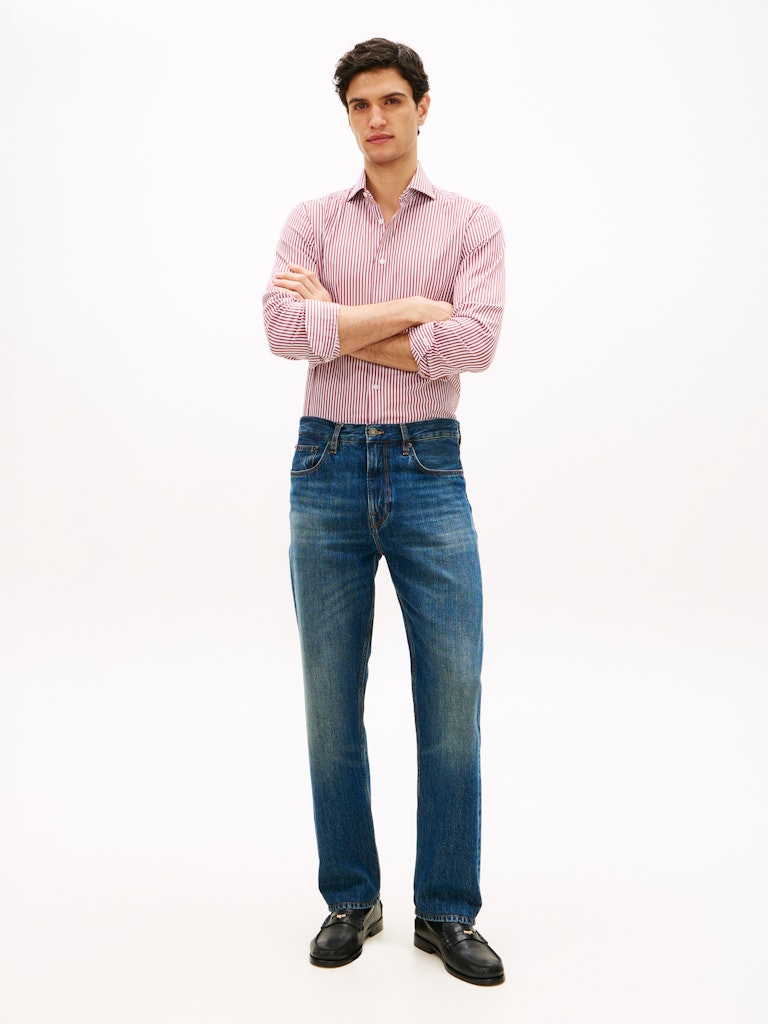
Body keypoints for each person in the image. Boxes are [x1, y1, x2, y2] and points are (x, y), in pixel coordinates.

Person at [263, 37, 506, 987]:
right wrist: (411, 315)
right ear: (348, 115)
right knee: (333, 701)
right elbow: (283, 330)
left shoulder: (474, 224)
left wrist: (349, 316)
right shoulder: (311, 220)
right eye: (360, 104)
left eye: (392, 101)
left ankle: (446, 911)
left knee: (451, 697)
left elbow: (475, 345)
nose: (377, 118)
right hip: (324, 464)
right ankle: (349, 896)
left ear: (423, 107)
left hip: (426, 468)